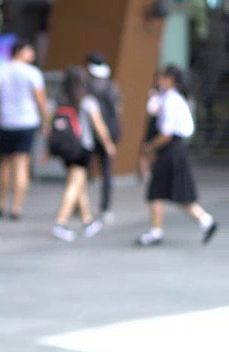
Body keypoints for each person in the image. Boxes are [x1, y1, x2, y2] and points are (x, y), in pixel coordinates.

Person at [137, 65, 218, 246]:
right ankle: (206, 221)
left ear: (169, 79)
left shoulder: (171, 100)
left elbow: (166, 132)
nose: (159, 81)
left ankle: (156, 231)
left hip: (170, 149)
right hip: (177, 149)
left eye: (161, 77)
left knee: (156, 191)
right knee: (180, 192)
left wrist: (151, 146)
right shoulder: (174, 99)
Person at [51, 67, 116, 242]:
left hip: (66, 149)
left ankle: (87, 221)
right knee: (75, 184)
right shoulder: (87, 101)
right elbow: (99, 126)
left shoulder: (61, 100)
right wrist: (108, 144)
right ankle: (61, 222)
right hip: (82, 148)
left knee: (79, 184)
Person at [0, 41, 48, 220]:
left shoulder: (2, 70)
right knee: (21, 163)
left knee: (4, 162)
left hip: (5, 122)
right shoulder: (32, 73)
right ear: (20, 52)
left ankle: (1, 204)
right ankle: (16, 207)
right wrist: (45, 120)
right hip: (26, 122)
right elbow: (40, 99)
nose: (32, 54)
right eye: (30, 50)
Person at [85, 52, 122, 223]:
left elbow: (95, 118)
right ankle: (105, 208)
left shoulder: (88, 86)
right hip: (112, 131)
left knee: (81, 171)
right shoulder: (111, 86)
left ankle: (80, 206)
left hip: (91, 134)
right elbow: (119, 110)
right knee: (107, 171)